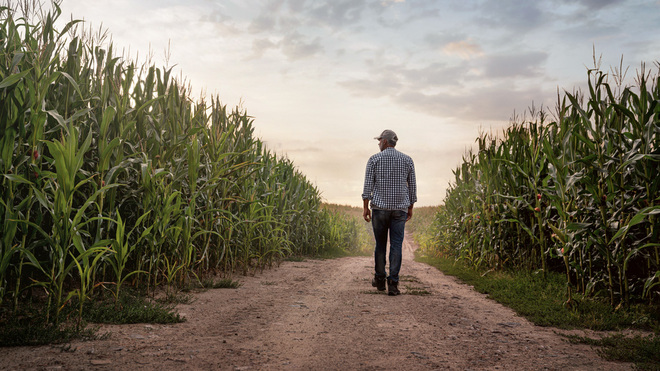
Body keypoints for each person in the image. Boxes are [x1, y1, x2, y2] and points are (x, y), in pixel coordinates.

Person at [362, 129, 417, 296]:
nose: (378, 143)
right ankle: (393, 283)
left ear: (385, 142)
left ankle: (379, 279)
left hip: (379, 209)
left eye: (379, 141)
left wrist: (365, 207)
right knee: (396, 246)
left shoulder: (374, 159)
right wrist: (410, 206)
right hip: (399, 209)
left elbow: (367, 186)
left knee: (380, 245)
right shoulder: (407, 160)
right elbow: (412, 186)